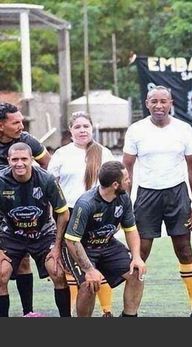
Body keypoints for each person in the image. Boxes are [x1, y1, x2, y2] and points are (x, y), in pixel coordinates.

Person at [123, 85, 192, 317]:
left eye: (163, 101)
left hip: (177, 195)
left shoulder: (184, 129)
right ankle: (131, 311)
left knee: (184, 249)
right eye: (154, 101)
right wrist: (124, 206)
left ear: (171, 103)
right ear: (146, 103)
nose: (159, 106)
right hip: (146, 195)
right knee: (140, 252)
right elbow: (126, 169)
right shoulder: (136, 130)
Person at [48, 111, 116, 317]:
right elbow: (51, 185)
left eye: (86, 126)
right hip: (69, 214)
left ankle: (107, 311)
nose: (82, 130)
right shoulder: (61, 154)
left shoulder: (104, 153)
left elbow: (115, 184)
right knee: (75, 266)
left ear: (92, 128)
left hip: (98, 214)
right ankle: (75, 311)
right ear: (70, 130)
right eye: (77, 127)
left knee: (98, 261)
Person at [64, 161, 146, 317]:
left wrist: (136, 257)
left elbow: (131, 229)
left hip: (106, 244)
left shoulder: (124, 198)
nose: (129, 181)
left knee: (137, 272)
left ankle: (129, 317)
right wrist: (89, 270)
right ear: (115, 184)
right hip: (81, 247)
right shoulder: (86, 204)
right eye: (126, 179)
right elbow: (71, 240)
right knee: (89, 284)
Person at [0, 142, 70, 317]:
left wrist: (57, 246)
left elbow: (63, 213)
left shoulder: (47, 179)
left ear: (32, 159)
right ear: (8, 160)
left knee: (57, 271)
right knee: (1, 274)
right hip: (12, 234)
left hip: (43, 234)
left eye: (24, 159)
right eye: (14, 159)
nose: (19, 163)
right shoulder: (1, 180)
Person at [0, 102, 51, 316]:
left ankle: (28, 312)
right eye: (16, 122)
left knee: (22, 261)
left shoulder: (27, 141)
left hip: (24, 208)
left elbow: (49, 165)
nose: (22, 126)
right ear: (1, 125)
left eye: (22, 121)